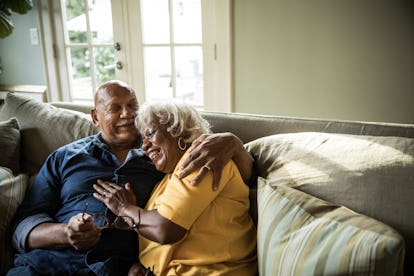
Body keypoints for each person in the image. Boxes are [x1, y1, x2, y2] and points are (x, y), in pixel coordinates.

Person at [7, 80, 255, 275]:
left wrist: (234, 143)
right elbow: (23, 225)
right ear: (95, 117)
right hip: (46, 263)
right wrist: (66, 233)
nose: (127, 114)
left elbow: (243, 178)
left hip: (115, 269)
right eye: (115, 108)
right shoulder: (65, 157)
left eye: (132, 107)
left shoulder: (169, 156)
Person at [93, 101, 257, 275]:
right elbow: (154, 229)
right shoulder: (164, 182)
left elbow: (166, 229)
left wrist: (124, 208)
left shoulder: (202, 160)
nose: (144, 146)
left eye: (150, 134)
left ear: (177, 129)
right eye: (143, 139)